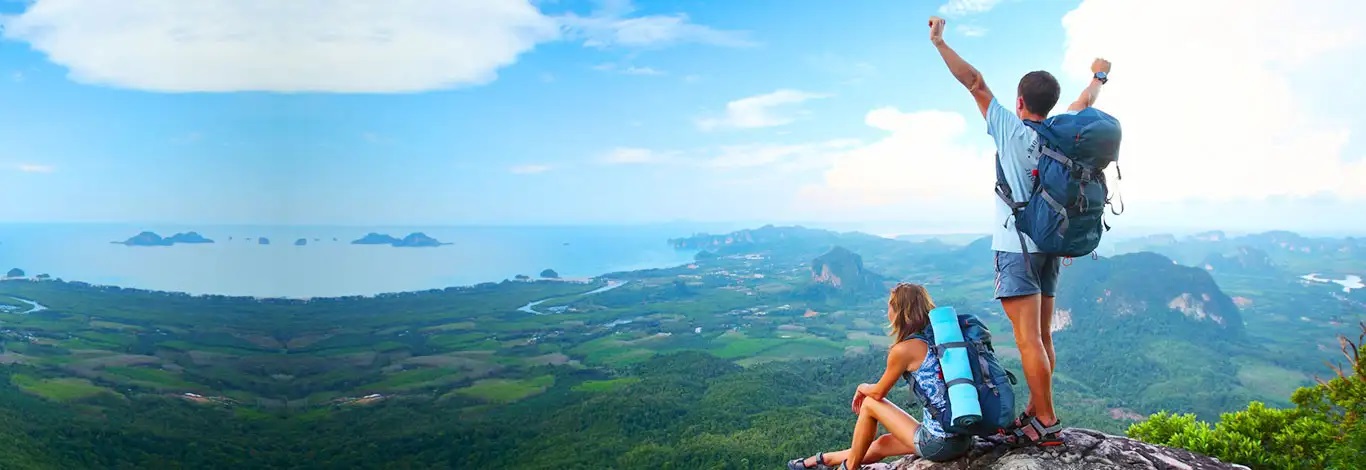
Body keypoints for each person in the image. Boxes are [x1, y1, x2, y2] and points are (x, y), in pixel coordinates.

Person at [926, 15, 1111, 446]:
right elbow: (1084, 102)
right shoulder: (1061, 133)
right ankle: (1036, 407)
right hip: (1051, 244)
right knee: (1042, 337)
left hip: (1017, 248)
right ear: (1051, 103)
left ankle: (1045, 420)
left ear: (1020, 100)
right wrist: (1099, 77)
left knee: (1028, 339)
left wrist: (939, 42)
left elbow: (974, 82)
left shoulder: (1010, 129)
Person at [787, 283, 973, 470]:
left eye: (890, 306)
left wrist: (862, 387)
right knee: (883, 443)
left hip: (940, 443)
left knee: (869, 403)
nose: (888, 312)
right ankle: (823, 460)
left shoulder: (904, 350)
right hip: (961, 437)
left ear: (900, 312)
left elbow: (877, 393)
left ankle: (849, 468)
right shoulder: (940, 340)